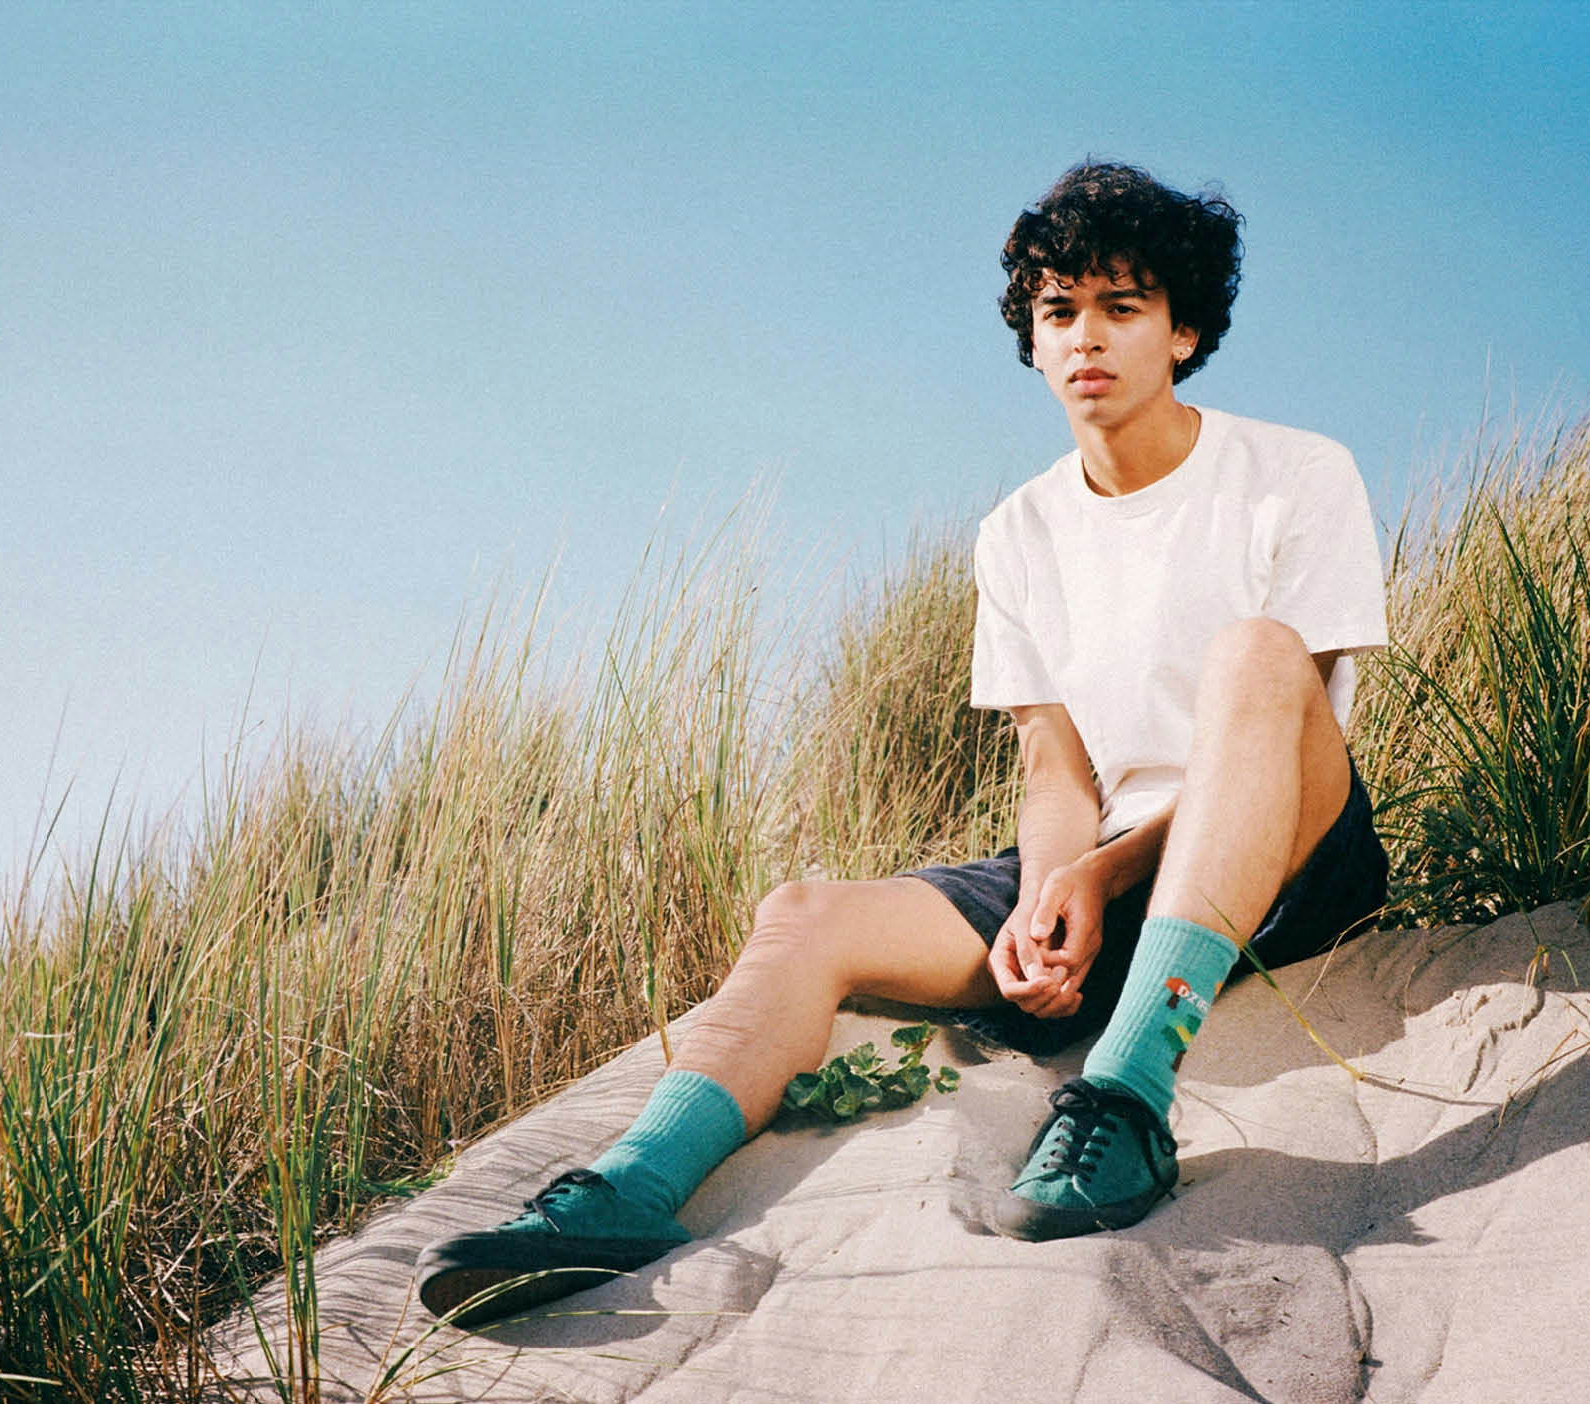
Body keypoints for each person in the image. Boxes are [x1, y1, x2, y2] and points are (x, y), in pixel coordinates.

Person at [416, 161, 1392, 1326]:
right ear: (1033, 337)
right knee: (802, 917)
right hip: (1109, 868)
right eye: (1058, 310)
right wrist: (1049, 898)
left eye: (1122, 307)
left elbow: (1297, 717)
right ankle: (630, 1187)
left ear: (1183, 332)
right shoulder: (1019, 533)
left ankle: (1127, 1101)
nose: (1086, 336)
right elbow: (1053, 766)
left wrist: (1099, 876)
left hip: (1289, 851)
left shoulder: (1295, 474)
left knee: (1255, 655)